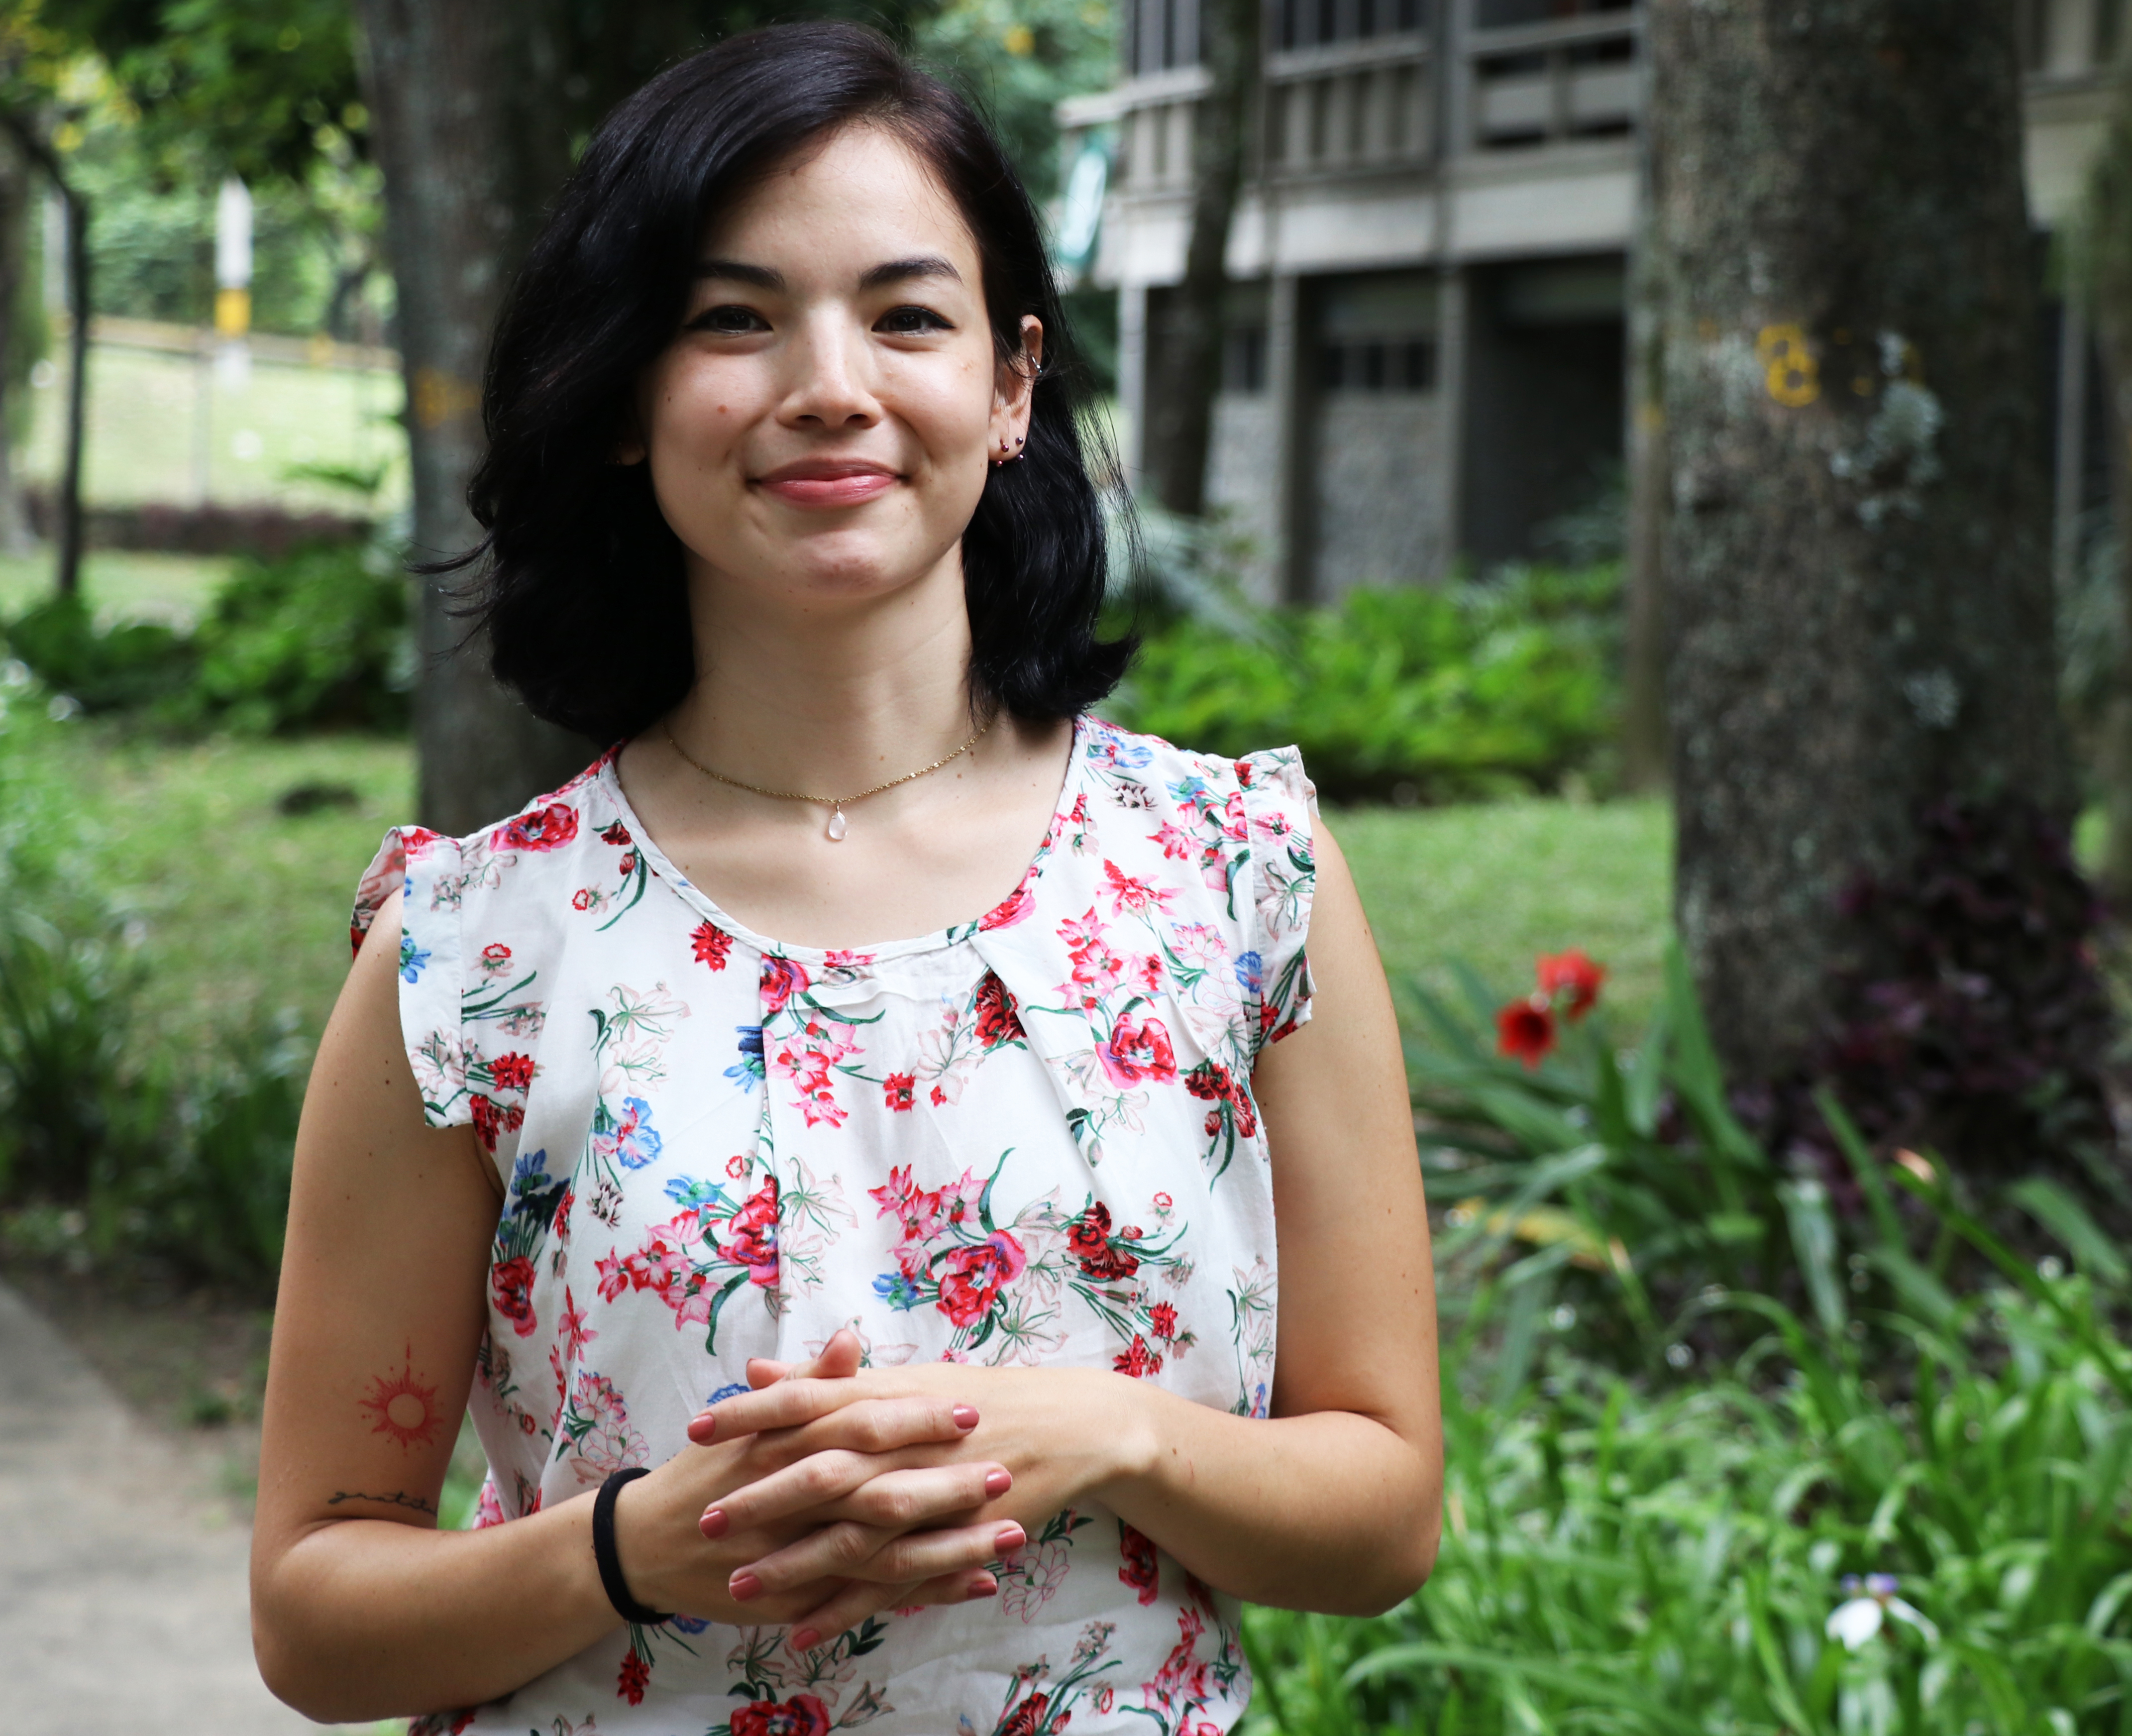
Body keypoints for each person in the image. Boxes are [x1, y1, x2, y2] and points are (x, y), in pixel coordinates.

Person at [247, 23, 1441, 1734]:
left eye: (905, 314)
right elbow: (314, 1607)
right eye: (732, 319)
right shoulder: (471, 953)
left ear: (1013, 385)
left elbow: (1386, 1508)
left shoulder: (1237, 876)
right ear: (628, 394)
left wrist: (1108, 1432)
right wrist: (635, 1549)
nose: (829, 384)